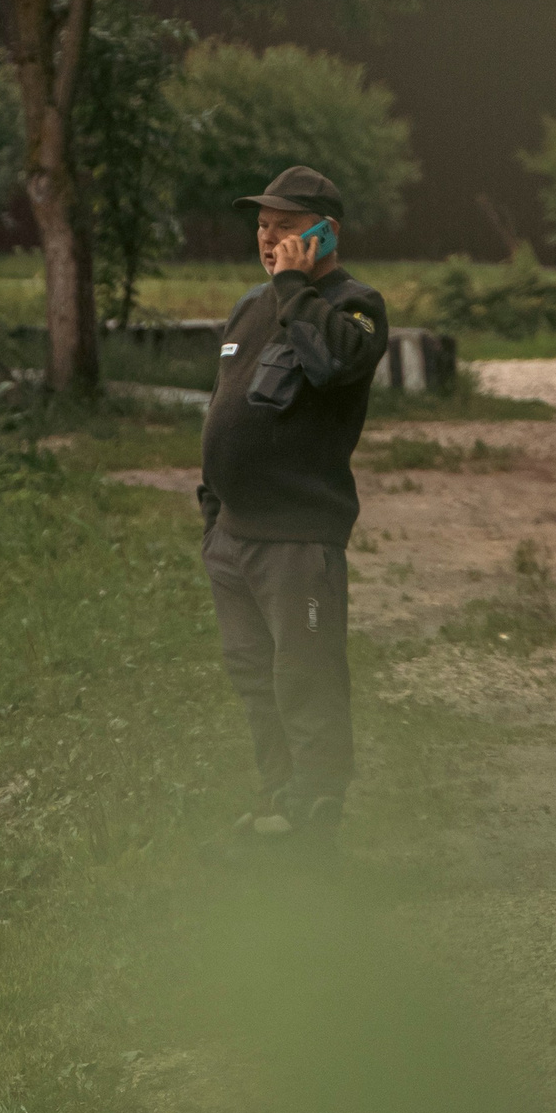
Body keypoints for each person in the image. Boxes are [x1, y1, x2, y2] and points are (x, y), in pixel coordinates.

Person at [197, 165, 390, 845]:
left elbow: (332, 365)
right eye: (261, 224)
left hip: (297, 537)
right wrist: (211, 511)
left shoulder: (354, 305)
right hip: (233, 537)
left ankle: (316, 815)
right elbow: (224, 406)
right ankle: (277, 799)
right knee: (255, 679)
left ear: (324, 231)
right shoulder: (251, 306)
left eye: (283, 225)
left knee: (304, 678)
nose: (268, 237)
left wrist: (294, 287)